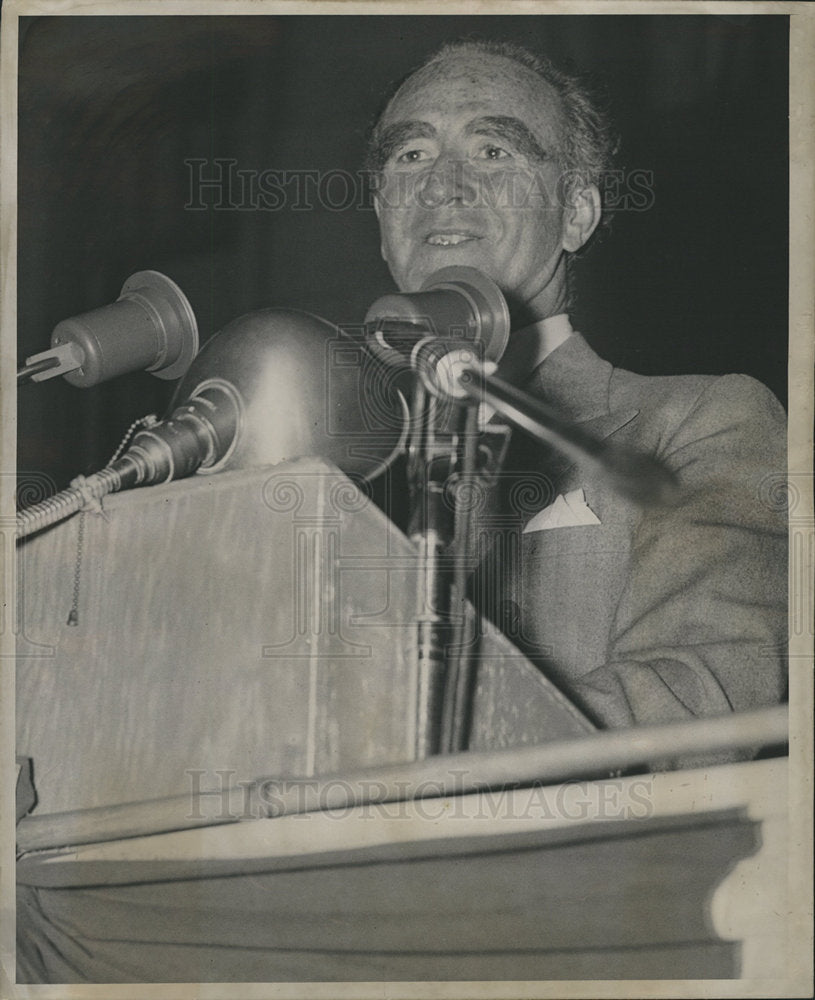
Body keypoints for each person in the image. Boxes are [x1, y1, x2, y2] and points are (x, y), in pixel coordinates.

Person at [364, 39, 787, 732]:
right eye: (409, 155)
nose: (441, 184)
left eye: (493, 151)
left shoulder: (702, 422)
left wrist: (411, 767)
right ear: (383, 222)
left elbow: (694, 698)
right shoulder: (333, 464)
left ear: (576, 214)